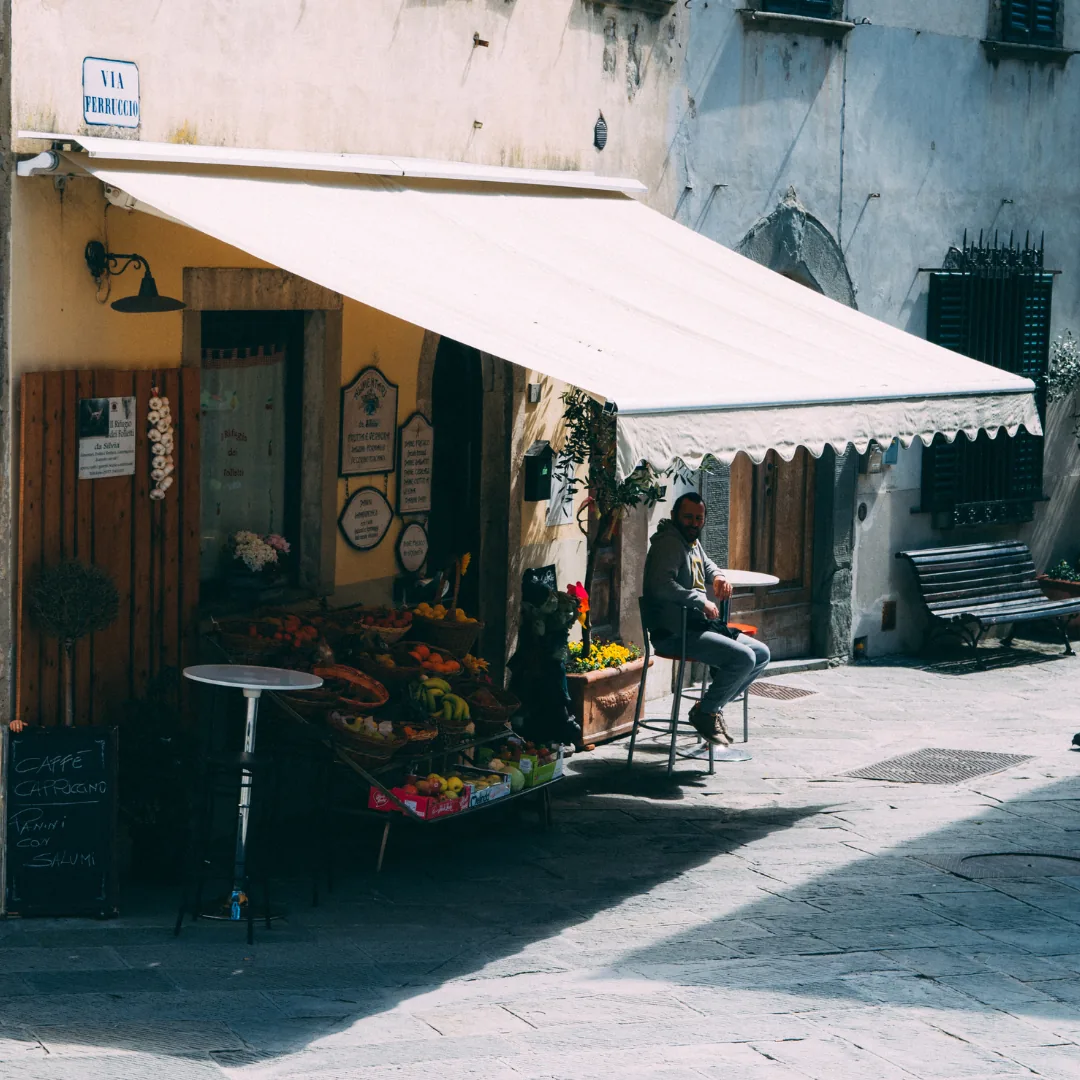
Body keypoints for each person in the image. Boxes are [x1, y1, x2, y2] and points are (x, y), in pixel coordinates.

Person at [643, 492, 770, 746]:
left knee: (761, 653)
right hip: (674, 632)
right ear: (675, 516)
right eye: (688, 517)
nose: (693, 523)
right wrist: (700, 600)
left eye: (698, 518)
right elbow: (660, 586)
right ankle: (708, 712)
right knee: (743, 658)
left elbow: (706, 563)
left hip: (696, 627)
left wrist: (719, 577)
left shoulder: (690, 542)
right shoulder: (669, 543)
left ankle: (708, 709)